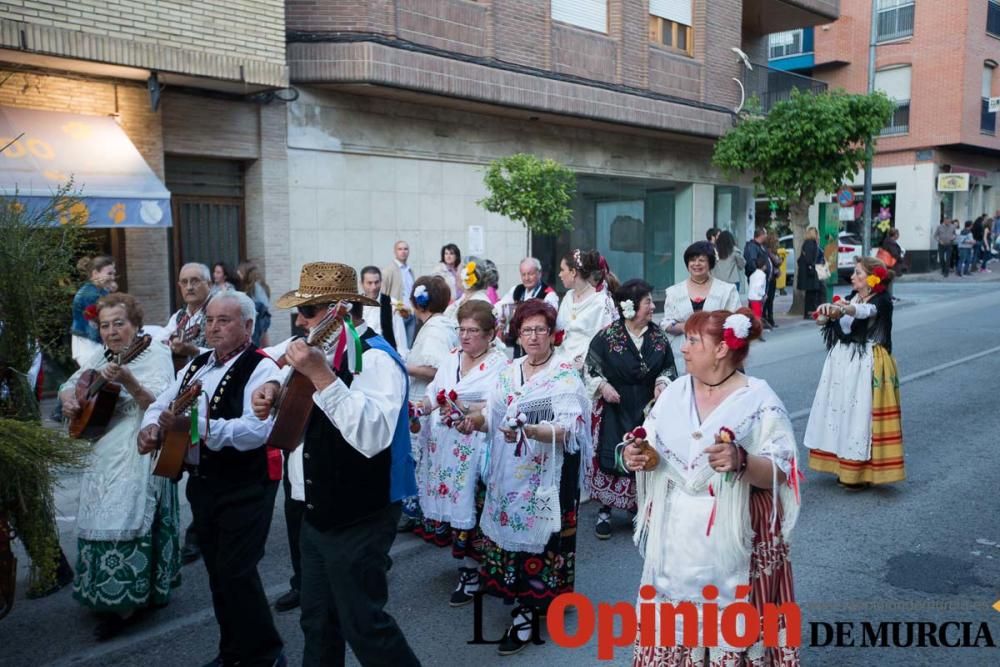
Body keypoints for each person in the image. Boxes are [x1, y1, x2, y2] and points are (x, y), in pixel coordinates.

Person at [251, 263, 421, 667]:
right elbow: (291, 389)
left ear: (338, 310)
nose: (299, 319)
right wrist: (274, 390)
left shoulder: (376, 358)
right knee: (318, 624)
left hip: (360, 512)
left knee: (365, 626)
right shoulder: (318, 346)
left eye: (308, 311)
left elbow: (372, 436)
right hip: (315, 511)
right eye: (301, 310)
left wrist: (322, 376)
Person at [624, 308, 801, 666]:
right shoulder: (674, 392)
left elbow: (781, 469)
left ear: (721, 349)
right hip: (676, 541)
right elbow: (655, 448)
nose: (683, 348)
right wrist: (638, 455)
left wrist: (742, 461)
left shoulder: (758, 399)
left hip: (734, 539)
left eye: (692, 340)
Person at [139, 291, 284, 667]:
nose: (213, 327)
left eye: (224, 320)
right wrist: (150, 426)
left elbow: (256, 430)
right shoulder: (198, 364)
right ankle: (232, 651)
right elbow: (161, 402)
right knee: (219, 573)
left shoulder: (262, 367)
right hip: (204, 483)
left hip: (245, 484)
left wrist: (193, 426)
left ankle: (265, 654)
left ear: (248, 326)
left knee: (237, 572)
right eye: (210, 320)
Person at [457, 299, 591, 656]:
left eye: (540, 330)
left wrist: (532, 431)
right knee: (510, 537)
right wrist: (474, 421)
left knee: (545, 542)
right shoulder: (508, 371)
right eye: (526, 330)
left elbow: (569, 430)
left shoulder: (563, 374)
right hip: (505, 475)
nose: (533, 337)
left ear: (552, 334)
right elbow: (492, 415)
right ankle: (530, 599)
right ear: (517, 333)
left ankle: (528, 612)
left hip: (546, 477)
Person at [59, 293, 179, 641]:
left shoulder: (155, 352)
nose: (112, 332)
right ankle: (104, 592)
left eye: (119, 324)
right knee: (98, 512)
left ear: (135, 324)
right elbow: (73, 382)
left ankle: (127, 601)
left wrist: (129, 381)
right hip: (104, 447)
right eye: (105, 325)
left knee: (125, 512)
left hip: (137, 443)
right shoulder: (102, 355)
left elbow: (160, 404)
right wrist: (69, 399)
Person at [413, 301, 506, 606]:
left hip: (478, 447)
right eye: (462, 330)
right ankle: (468, 567)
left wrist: (465, 408)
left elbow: (500, 404)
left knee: (475, 509)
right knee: (455, 506)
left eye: (473, 331)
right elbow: (434, 393)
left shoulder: (500, 365)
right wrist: (422, 407)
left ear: (490, 334)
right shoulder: (452, 358)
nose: (465, 337)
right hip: (447, 446)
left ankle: (473, 571)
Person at [584, 280, 675, 540]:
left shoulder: (657, 336)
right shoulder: (607, 336)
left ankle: (639, 508)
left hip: (646, 405)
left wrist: (661, 382)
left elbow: (668, 366)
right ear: (630, 307)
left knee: (644, 452)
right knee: (612, 451)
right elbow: (590, 368)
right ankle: (605, 510)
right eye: (647, 302)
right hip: (616, 403)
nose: (651, 307)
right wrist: (602, 385)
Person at [805, 257, 904, 488]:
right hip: (842, 360)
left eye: (858, 273)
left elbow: (863, 311)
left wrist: (841, 308)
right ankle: (842, 465)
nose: (852, 277)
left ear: (872, 278)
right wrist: (825, 313)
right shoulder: (851, 297)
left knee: (860, 414)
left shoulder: (882, 301)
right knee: (840, 411)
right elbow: (824, 321)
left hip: (867, 360)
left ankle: (860, 471)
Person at [402, 275, 459, 531]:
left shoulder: (435, 330)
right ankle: (426, 513)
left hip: (426, 401)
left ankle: (425, 514)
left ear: (419, 302)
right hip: (428, 401)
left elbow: (437, 369)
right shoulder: (440, 325)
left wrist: (406, 367)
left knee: (422, 457)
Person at [663, 241, 740, 374]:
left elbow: (736, 322)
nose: (696, 264)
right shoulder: (674, 292)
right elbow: (666, 322)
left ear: (710, 263)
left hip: (716, 354)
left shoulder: (727, 290)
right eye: (692, 260)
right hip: (683, 355)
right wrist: (683, 326)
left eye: (701, 260)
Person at [555, 249, 619, 369]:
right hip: (563, 362)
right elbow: (558, 329)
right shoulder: (568, 297)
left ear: (573, 272)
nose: (560, 274)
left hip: (588, 367)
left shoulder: (601, 301)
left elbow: (609, 341)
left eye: (562, 270)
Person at [495, 257, 560, 358]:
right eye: (523, 274)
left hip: (537, 344)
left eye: (530, 274)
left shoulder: (549, 294)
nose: (526, 278)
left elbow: (550, 321)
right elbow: (499, 307)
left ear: (539, 273)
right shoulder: (517, 290)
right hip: (519, 343)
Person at [71, 255, 116, 366]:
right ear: (95, 274)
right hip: (87, 343)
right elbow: (97, 321)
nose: (113, 277)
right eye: (109, 274)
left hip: (93, 340)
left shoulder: (99, 290)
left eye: (114, 274)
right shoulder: (90, 294)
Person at [360, 265, 410, 358]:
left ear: (381, 282)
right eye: (369, 283)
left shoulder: (392, 304)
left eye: (376, 282)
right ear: (362, 283)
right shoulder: (355, 306)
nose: (373, 287)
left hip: (386, 358)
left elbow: (400, 338)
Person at [382, 240, 417, 346]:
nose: (403, 252)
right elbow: (383, 294)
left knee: (409, 346)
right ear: (395, 251)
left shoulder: (410, 270)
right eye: (400, 249)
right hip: (397, 315)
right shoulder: (388, 271)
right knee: (399, 345)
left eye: (405, 249)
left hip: (411, 314)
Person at [743, 227, 775, 329]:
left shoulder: (761, 246)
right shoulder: (752, 246)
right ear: (761, 235)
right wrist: (758, 271)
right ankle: (755, 324)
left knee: (764, 302)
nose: (766, 236)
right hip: (758, 279)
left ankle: (762, 320)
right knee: (756, 303)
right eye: (765, 234)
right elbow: (752, 262)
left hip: (764, 278)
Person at [238, 260, 272, 347]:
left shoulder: (256, 286)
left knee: (257, 345)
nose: (239, 275)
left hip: (259, 318)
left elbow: (262, 305)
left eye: (240, 273)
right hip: (260, 318)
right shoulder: (255, 286)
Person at [796, 226, 826, 318]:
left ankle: (811, 312)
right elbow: (809, 259)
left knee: (812, 294)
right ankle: (810, 313)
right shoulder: (809, 244)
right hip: (812, 272)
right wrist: (813, 268)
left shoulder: (811, 243)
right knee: (811, 294)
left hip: (814, 271)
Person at [710, 230, 746, 296]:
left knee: (719, 303)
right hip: (732, 282)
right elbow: (742, 265)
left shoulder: (713, 251)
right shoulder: (735, 251)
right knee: (732, 304)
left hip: (717, 282)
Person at [747, 256, 767, 320]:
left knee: (751, 317)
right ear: (763, 266)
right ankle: (757, 329)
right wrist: (763, 294)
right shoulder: (762, 275)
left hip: (750, 298)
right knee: (757, 317)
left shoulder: (752, 274)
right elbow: (759, 287)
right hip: (757, 299)